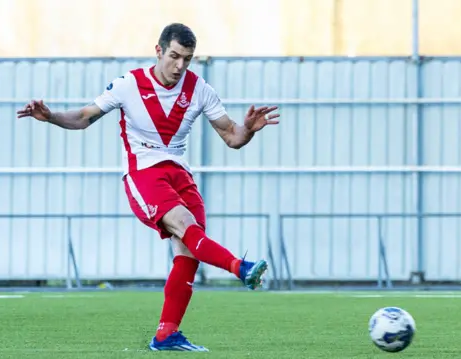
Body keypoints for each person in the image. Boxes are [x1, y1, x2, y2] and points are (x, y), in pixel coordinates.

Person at [16, 23, 280, 352]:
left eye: (187, 58)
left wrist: (250, 130)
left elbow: (232, 137)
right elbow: (85, 117)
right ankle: (241, 268)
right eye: (174, 56)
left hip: (181, 176)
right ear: (158, 51)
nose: (180, 65)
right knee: (186, 226)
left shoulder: (200, 89)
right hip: (144, 173)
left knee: (189, 254)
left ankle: (166, 335)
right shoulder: (129, 84)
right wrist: (52, 116)